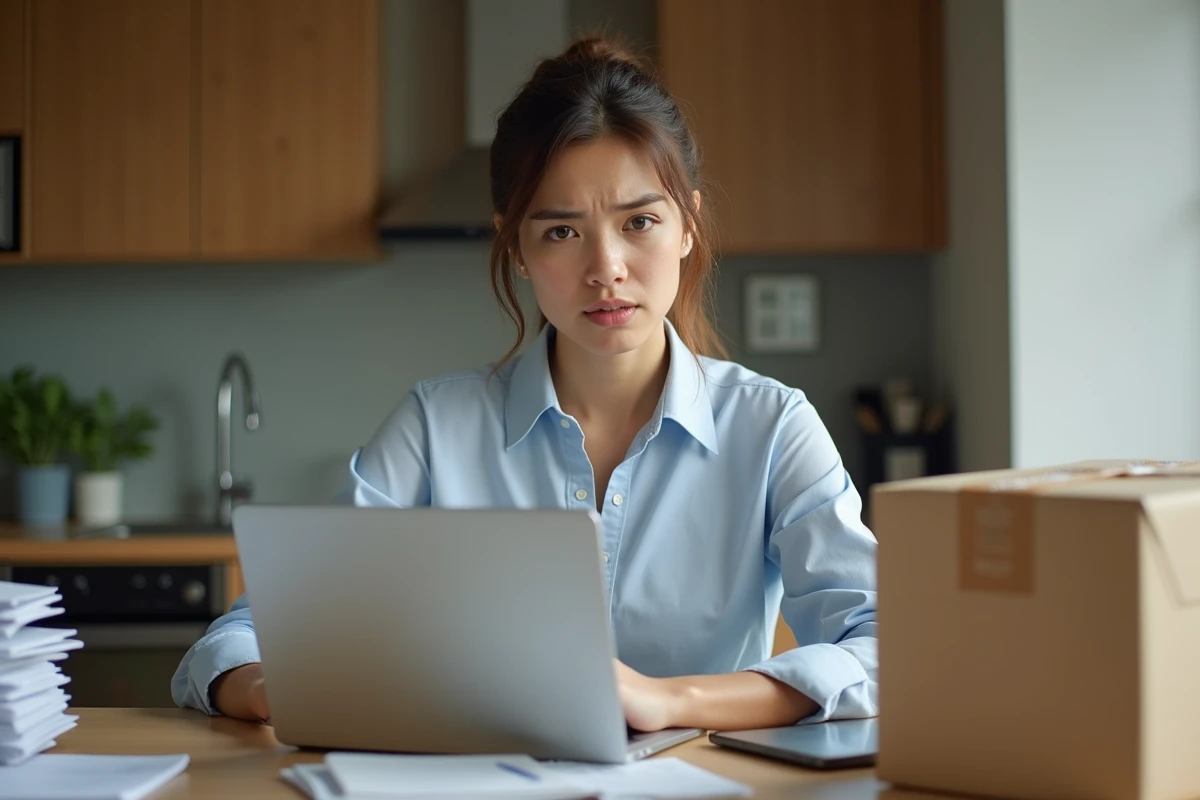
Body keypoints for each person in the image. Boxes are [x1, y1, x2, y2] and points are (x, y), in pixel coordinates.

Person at [172, 37, 878, 732]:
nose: (607, 269)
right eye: (562, 233)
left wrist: (675, 702)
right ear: (513, 243)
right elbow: (246, 635)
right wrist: (277, 684)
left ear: (688, 225)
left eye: (640, 222)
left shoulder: (773, 426)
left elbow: (882, 643)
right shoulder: (433, 427)